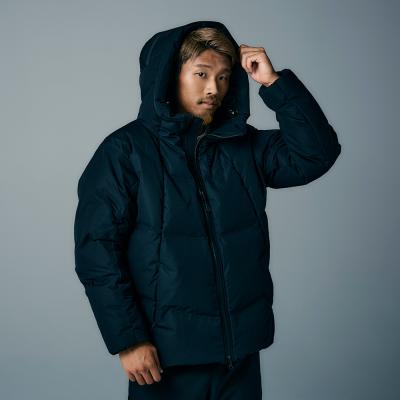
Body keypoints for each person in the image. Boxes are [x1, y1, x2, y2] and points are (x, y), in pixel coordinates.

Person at [73, 20, 341, 399]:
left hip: (239, 355)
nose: (214, 88)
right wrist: (129, 339)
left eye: (223, 77)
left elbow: (316, 154)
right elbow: (97, 252)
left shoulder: (243, 145)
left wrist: (274, 84)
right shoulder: (125, 151)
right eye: (201, 74)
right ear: (170, 76)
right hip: (167, 358)